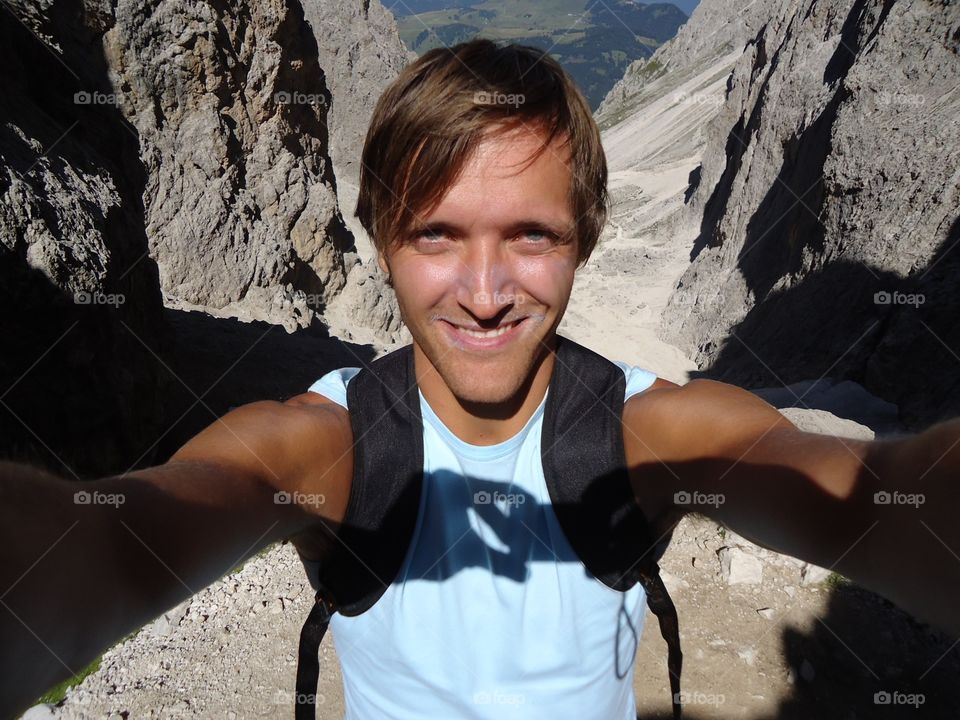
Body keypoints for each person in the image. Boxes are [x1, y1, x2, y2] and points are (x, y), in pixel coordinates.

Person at [2, 38, 959, 719]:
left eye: (531, 235)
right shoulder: (327, 447)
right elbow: (114, 547)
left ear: (583, 241)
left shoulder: (650, 433)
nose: (487, 293)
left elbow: (873, 505)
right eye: (436, 235)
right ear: (382, 241)